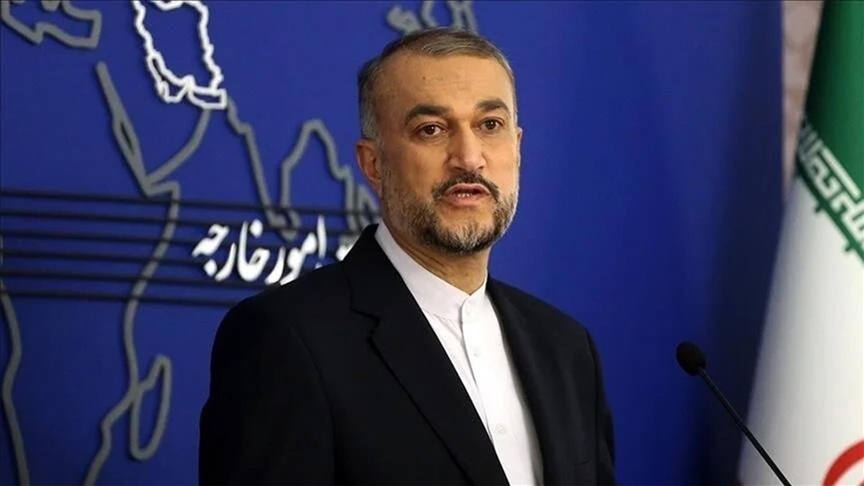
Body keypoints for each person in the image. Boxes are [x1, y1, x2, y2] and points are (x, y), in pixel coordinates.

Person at [198, 27, 616, 486]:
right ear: (373, 164)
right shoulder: (287, 339)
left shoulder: (565, 348)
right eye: (431, 129)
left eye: (490, 125)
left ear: (516, 147)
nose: (469, 157)